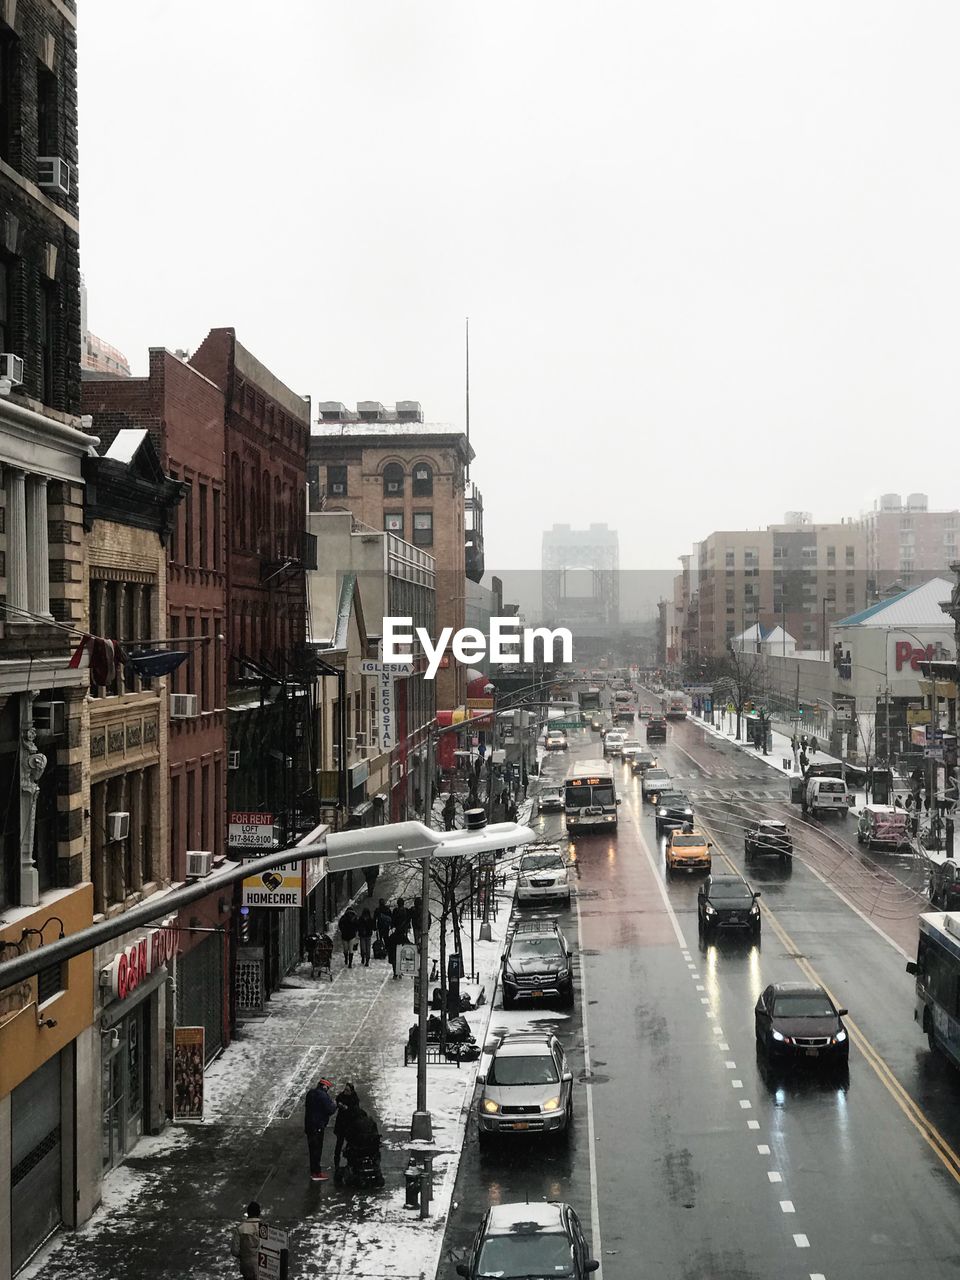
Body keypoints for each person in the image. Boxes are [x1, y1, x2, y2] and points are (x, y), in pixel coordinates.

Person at [304, 1078, 337, 1181]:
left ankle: (314, 1170)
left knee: (312, 1149)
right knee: (317, 1150)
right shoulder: (323, 1096)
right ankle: (316, 1173)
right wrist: (335, 1104)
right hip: (317, 1127)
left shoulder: (310, 1093)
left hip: (309, 1126)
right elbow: (330, 1109)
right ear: (325, 1086)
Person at [229, 1201, 261, 1280]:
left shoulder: (240, 1228)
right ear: (259, 1212)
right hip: (263, 1264)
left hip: (247, 1264)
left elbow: (234, 1251)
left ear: (248, 1212)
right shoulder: (266, 1228)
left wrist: (244, 1256)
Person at [333, 1082, 361, 1170]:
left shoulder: (354, 1099)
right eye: (345, 1089)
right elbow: (337, 1099)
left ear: (351, 1091)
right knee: (339, 1144)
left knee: (351, 1144)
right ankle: (336, 1163)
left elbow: (355, 1112)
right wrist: (339, 1104)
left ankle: (350, 1163)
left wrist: (347, 1108)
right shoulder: (342, 1096)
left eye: (347, 1090)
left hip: (349, 1125)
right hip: (341, 1124)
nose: (345, 1091)